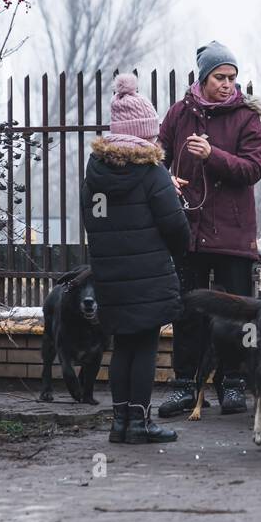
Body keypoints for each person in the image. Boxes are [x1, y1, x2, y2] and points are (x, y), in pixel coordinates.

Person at [157, 41, 261, 418]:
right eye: (220, 77)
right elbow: (159, 156)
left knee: (238, 311)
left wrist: (213, 155)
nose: (227, 84)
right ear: (203, 78)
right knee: (188, 311)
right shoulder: (178, 114)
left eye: (232, 78)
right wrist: (165, 181)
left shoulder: (246, 117)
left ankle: (233, 384)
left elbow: (253, 169)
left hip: (234, 234)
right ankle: (185, 385)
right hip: (190, 230)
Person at [81, 73, 190, 443]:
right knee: (143, 345)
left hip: (109, 273)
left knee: (122, 346)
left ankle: (119, 424)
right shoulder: (151, 171)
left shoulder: (95, 170)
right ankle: (140, 424)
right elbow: (174, 226)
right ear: (144, 132)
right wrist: (177, 252)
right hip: (147, 275)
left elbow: (91, 220)